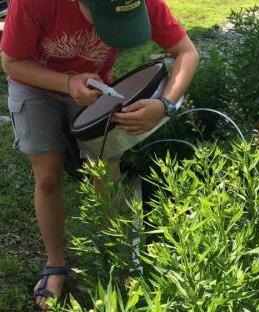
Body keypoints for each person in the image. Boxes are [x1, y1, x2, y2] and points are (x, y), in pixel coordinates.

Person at [1, 0, 199, 309]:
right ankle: (56, 263)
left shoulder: (145, 2)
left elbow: (187, 52)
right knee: (48, 176)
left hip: (95, 88)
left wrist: (166, 104)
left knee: (106, 173)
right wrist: (66, 82)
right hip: (34, 85)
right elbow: (11, 62)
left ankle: (120, 262)